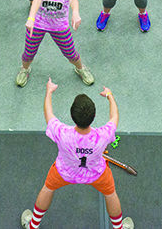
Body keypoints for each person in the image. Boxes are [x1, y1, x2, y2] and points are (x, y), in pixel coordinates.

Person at [20, 78, 134, 229]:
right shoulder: (103, 135)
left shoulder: (61, 132)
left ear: (72, 116)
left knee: (48, 189)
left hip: (63, 172)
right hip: (97, 174)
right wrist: (109, 95)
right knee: (110, 194)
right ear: (93, 117)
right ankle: (119, 228)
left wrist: (49, 91)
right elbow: (114, 117)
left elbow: (48, 113)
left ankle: (33, 225)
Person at [17, 0, 93, 88]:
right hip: (38, 23)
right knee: (28, 52)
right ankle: (25, 69)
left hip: (59, 25)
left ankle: (80, 69)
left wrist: (75, 13)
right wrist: (31, 18)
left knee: (70, 53)